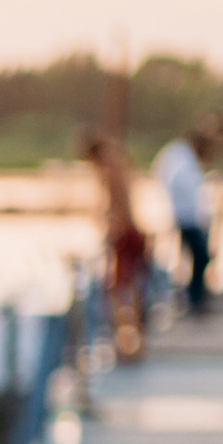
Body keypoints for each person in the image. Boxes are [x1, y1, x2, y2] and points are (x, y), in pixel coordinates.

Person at [83, 131, 150, 357]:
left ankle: (124, 343)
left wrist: (111, 232)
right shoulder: (122, 166)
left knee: (116, 290)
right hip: (135, 233)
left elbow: (116, 209)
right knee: (132, 289)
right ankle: (137, 341)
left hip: (124, 236)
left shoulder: (108, 172)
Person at [153, 125, 214, 315]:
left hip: (189, 215)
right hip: (186, 217)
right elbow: (178, 183)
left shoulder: (181, 154)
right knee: (200, 256)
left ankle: (190, 294)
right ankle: (193, 296)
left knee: (189, 257)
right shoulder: (182, 157)